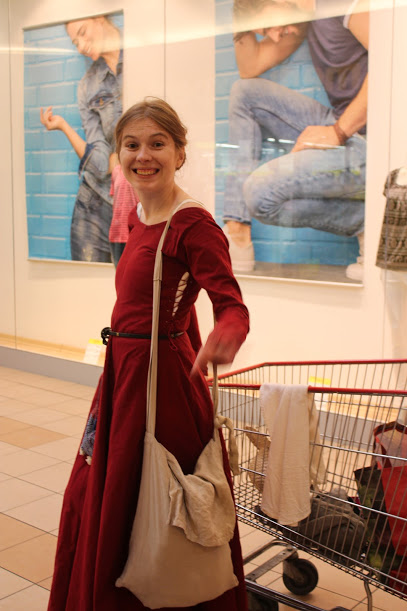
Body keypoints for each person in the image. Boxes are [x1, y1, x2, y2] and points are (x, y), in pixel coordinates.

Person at [47, 97, 250, 611]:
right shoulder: (139, 217)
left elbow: (231, 305)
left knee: (158, 504)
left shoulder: (193, 225)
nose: (143, 155)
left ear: (180, 152)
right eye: (131, 145)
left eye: (157, 143)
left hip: (163, 392)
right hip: (125, 379)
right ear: (118, 154)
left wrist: (226, 334)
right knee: (113, 496)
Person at [223, 0, 368, 280]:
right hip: (347, 130)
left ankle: (369, 222)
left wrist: (338, 132)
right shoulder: (302, 18)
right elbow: (248, 67)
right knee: (244, 93)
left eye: (268, 27)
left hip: (377, 142)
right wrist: (241, 15)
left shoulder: (340, 4)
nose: (274, 37)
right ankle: (237, 232)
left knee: (259, 193)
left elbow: (395, 59)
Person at [40, 14, 123, 263]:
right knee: (84, 284)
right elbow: (101, 163)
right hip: (93, 208)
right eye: (75, 42)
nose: (81, 46)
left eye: (83, 33)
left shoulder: (146, 57)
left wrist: (120, 158)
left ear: (99, 17)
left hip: (135, 206)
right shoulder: (88, 86)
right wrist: (63, 126)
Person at [109, 163, 139, 266]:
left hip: (135, 233)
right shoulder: (116, 170)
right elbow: (114, 199)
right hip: (116, 232)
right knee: (119, 272)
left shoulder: (141, 170)